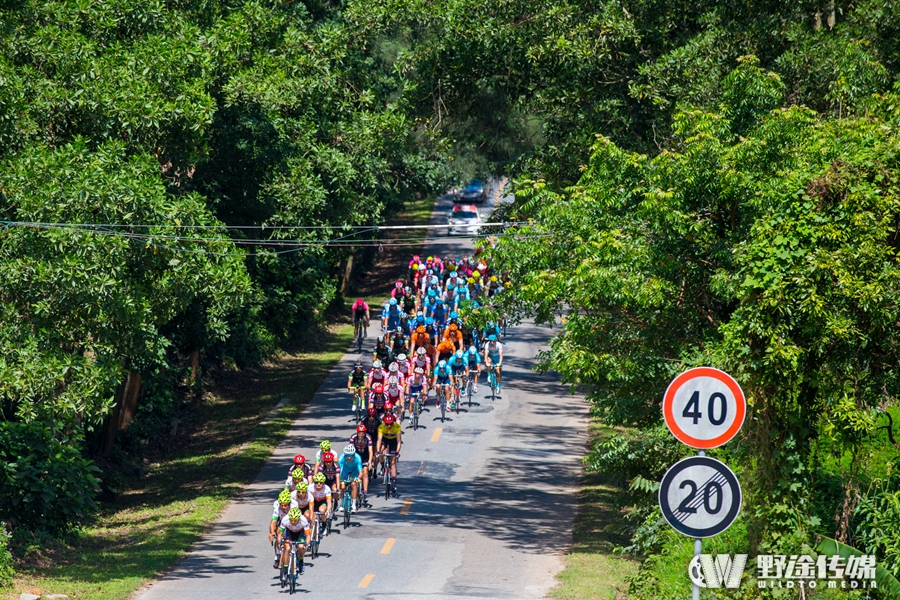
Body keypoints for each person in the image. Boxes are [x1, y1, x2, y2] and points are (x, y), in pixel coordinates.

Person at [277, 507, 310, 576]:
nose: (293, 522)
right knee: (287, 548)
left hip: (300, 533)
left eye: (295, 520)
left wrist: (307, 544)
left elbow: (308, 535)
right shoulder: (285, 519)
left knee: (301, 546)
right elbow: (280, 534)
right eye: (291, 520)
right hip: (289, 533)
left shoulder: (303, 520)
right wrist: (279, 542)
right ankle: (285, 569)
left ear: (299, 518)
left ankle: (301, 560)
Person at [376, 413, 402, 495]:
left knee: (393, 461)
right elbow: (379, 440)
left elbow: (399, 441)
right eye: (387, 424)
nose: (389, 426)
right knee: (380, 451)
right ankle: (383, 465)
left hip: (393, 441)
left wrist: (397, 452)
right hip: (385, 440)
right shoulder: (381, 427)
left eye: (390, 424)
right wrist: (377, 451)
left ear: (393, 423)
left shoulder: (397, 427)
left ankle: (394, 480)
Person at [269, 489, 296, 568]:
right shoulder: (277, 505)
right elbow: (274, 521)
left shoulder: (294, 505)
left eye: (285, 505)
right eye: (281, 505)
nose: (283, 507)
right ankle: (277, 555)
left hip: (291, 521)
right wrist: (272, 533)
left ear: (289, 503)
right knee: (277, 533)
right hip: (281, 520)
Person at [349, 424, 374, 502]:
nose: (361, 435)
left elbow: (370, 451)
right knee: (356, 473)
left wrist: (370, 462)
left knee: (365, 473)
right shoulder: (353, 437)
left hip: (365, 456)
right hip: (356, 456)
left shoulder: (368, 438)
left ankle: (365, 492)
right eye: (359, 433)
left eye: (363, 433)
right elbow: (350, 449)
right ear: (357, 432)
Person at [338, 445, 363, 513]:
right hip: (345, 471)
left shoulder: (358, 458)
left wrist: (358, 478)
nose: (349, 458)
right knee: (343, 487)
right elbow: (338, 471)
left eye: (351, 456)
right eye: (347, 455)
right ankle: (342, 504)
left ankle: (354, 505)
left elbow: (361, 472)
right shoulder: (341, 458)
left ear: (354, 455)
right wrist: (339, 480)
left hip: (354, 471)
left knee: (353, 484)